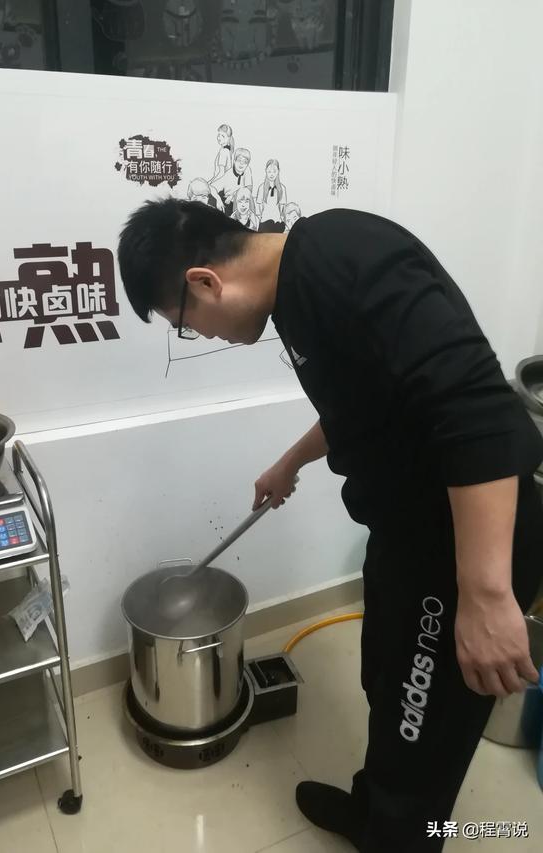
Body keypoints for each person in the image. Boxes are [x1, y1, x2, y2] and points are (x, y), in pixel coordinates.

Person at [117, 199, 543, 852]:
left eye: (188, 325)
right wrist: (290, 461)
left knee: (422, 726)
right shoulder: (292, 295)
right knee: (386, 684)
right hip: (406, 532)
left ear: (204, 282)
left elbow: (474, 410)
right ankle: (372, 812)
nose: (201, 336)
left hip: (461, 543)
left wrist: (484, 594)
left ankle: (399, 835)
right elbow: (364, 400)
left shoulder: (343, 260)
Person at [211, 147, 253, 215]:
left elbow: (249, 189)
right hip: (228, 204)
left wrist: (233, 195)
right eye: (239, 160)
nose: (241, 164)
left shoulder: (247, 170)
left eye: (245, 162)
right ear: (234, 161)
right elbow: (211, 187)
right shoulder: (228, 175)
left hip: (240, 202)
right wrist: (218, 199)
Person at [255, 158, 287, 232]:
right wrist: (261, 217)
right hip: (264, 221)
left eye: (274, 171)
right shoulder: (261, 187)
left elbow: (282, 207)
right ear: (265, 171)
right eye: (269, 171)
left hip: (277, 221)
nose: (271, 174)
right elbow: (259, 205)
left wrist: (281, 218)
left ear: (278, 171)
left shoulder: (282, 188)